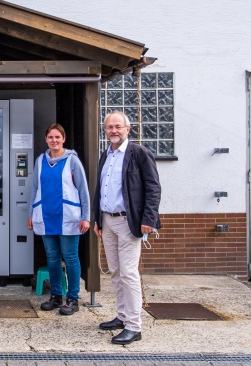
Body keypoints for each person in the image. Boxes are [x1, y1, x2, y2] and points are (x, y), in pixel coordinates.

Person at [92, 111, 162, 345]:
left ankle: (134, 326)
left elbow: (153, 187)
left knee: (129, 273)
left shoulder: (139, 153)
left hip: (129, 221)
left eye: (117, 127)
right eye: (109, 127)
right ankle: (122, 316)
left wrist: (148, 220)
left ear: (127, 129)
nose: (113, 130)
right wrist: (97, 219)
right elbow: (100, 189)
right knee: (115, 271)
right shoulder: (106, 155)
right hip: (108, 220)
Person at [28, 124, 90, 316]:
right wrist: (31, 213)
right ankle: (56, 296)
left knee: (70, 257)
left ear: (63, 139)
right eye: (50, 137)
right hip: (46, 215)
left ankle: (72, 297)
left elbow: (83, 190)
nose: (54, 141)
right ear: (46, 139)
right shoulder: (40, 161)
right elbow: (34, 188)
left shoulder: (72, 161)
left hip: (69, 217)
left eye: (57, 137)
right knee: (53, 257)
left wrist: (85, 217)